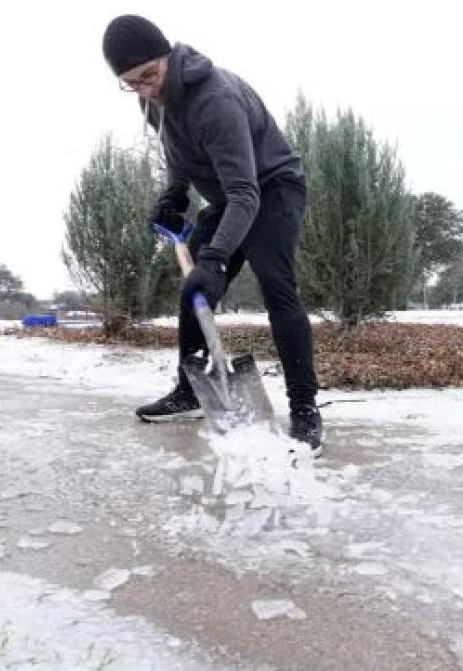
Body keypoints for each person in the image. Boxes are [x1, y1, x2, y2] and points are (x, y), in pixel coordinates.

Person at [102, 14, 323, 451]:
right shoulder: (151, 99)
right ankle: (190, 390)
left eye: (149, 75)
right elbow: (176, 148)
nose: (146, 89)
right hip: (229, 197)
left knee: (277, 287)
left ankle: (304, 410)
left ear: (167, 56)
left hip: (272, 189)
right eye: (132, 83)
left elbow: (247, 192)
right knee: (194, 289)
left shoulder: (215, 99)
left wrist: (217, 256)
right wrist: (174, 193)